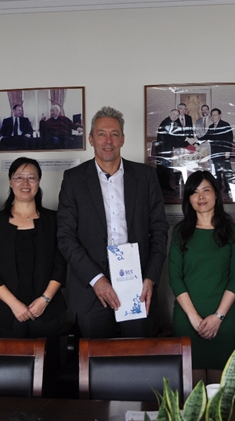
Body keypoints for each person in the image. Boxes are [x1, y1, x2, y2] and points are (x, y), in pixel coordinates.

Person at [57, 106, 169, 339]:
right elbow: (65, 237)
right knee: (95, 358)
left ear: (123, 139)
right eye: (101, 134)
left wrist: (150, 277)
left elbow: (159, 230)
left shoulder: (146, 177)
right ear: (91, 139)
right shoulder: (74, 180)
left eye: (114, 134)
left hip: (138, 285)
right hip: (91, 289)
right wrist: (96, 279)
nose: (108, 141)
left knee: (138, 356)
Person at [0, 157, 66, 391]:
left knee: (49, 378)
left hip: (47, 311)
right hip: (5, 313)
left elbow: (61, 265)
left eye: (31, 178)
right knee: (8, 379)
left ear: (39, 182)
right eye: (19, 177)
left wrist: (44, 300)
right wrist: (15, 305)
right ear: (10, 182)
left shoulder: (54, 220)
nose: (25, 183)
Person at [168, 171, 235, 383]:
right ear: (188, 199)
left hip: (224, 321)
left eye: (206, 190)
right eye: (194, 192)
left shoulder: (233, 231)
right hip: (187, 320)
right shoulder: (180, 232)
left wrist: (218, 317)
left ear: (216, 194)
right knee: (193, 393)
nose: (201, 197)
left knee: (220, 395)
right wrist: (194, 318)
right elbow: (175, 278)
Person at [199, 108, 235, 189]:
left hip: (224, 152)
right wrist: (196, 141)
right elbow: (206, 137)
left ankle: (229, 188)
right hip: (215, 152)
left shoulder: (225, 125)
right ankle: (219, 187)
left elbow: (229, 139)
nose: (213, 117)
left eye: (215, 115)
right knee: (217, 171)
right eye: (212, 115)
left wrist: (228, 151)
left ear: (220, 115)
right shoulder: (211, 127)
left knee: (226, 171)